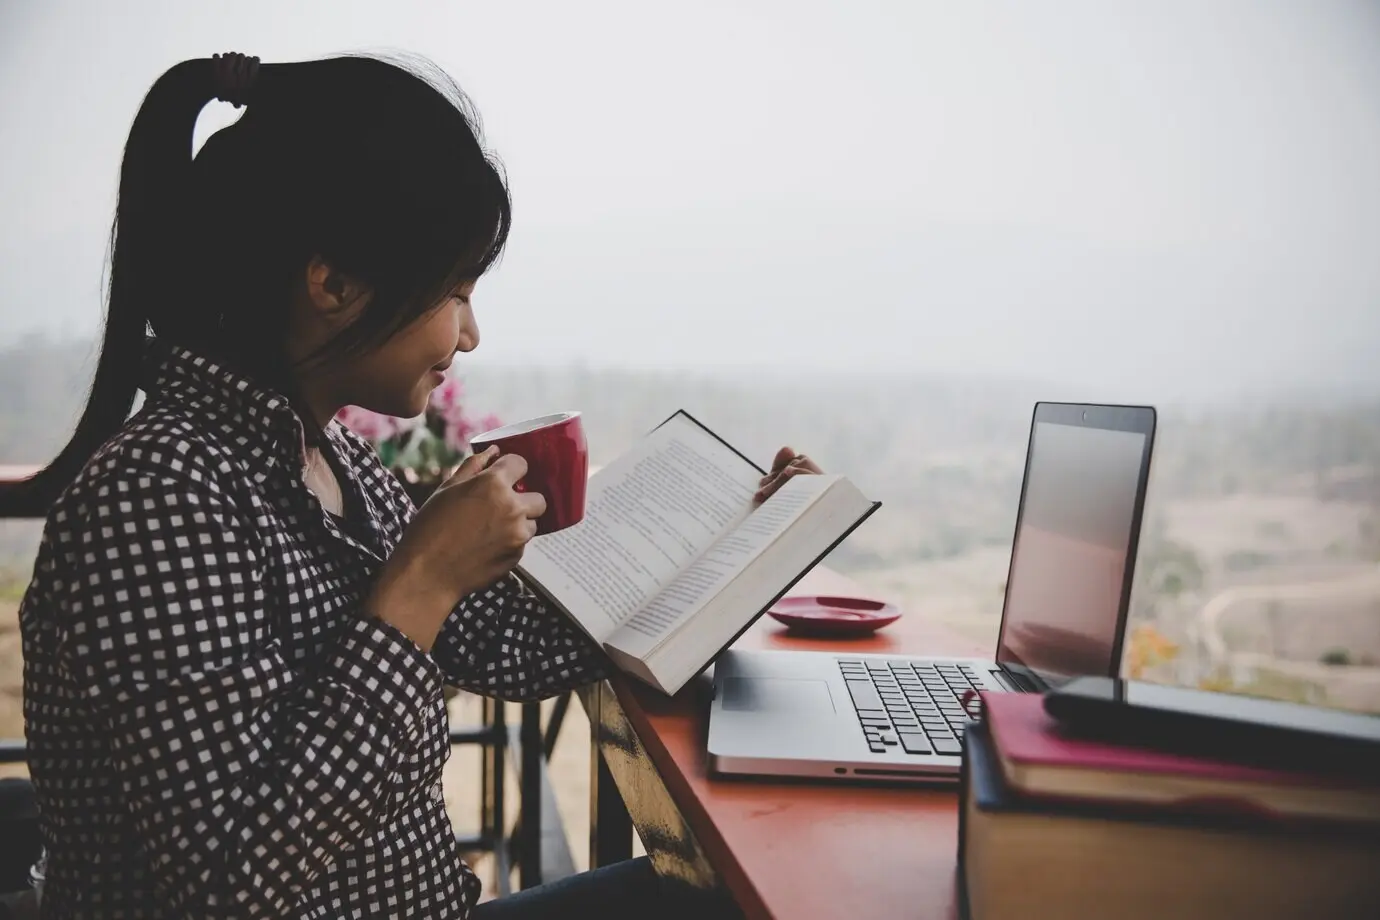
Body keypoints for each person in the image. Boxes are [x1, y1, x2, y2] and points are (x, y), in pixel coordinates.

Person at [15, 52, 822, 919]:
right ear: (332, 283)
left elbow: (502, 648)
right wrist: (422, 582)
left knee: (740, 895)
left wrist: (732, 546)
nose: (470, 334)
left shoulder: (332, 463)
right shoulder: (157, 497)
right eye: (457, 292)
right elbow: (233, 884)